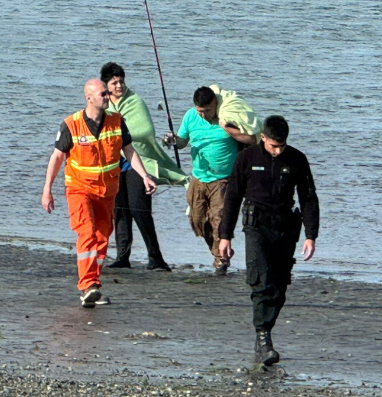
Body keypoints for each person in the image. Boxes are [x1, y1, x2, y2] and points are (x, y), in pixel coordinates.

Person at [42, 79, 157, 308]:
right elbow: (57, 158)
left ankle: (93, 283)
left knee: (103, 235)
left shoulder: (116, 121)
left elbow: (129, 150)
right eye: (103, 93)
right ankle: (88, 285)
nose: (108, 96)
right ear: (89, 98)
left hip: (106, 190)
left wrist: (144, 175)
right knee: (86, 232)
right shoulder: (71, 124)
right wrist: (47, 190)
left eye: (107, 93)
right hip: (79, 188)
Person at [218, 115, 319, 366]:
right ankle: (263, 337)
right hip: (256, 226)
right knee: (260, 279)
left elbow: (308, 197)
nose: (277, 150)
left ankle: (266, 331)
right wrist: (225, 236)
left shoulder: (297, 159)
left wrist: (311, 235)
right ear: (263, 138)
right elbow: (232, 197)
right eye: (274, 145)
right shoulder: (247, 158)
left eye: (281, 146)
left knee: (279, 285)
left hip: (285, 227)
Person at [100, 62, 188, 274]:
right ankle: (122, 257)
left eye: (121, 81)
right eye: (114, 83)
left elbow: (145, 131)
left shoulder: (134, 101)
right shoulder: (102, 104)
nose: (119, 86)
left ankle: (156, 258)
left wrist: (118, 135)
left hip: (137, 161)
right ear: (106, 85)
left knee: (140, 209)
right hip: (112, 163)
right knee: (119, 210)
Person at [164, 86, 258, 276]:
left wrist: (230, 129)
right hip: (198, 178)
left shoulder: (227, 118)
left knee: (219, 220)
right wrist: (172, 140)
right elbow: (182, 142)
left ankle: (221, 261)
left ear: (215, 104)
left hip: (223, 180)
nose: (204, 115)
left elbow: (251, 139)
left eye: (207, 110)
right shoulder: (190, 116)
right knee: (198, 220)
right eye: (200, 111)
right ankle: (218, 251)